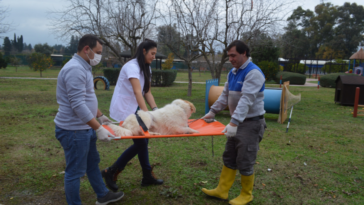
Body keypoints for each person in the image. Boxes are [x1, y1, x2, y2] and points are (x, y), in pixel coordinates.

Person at [54, 34, 124, 205]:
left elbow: (86, 97)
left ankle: (103, 195)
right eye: (98, 52)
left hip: (85, 128)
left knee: (92, 163)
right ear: (87, 49)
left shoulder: (84, 66)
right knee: (75, 172)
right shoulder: (75, 69)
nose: (99, 56)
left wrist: (100, 116)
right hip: (74, 131)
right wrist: (98, 128)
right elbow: (77, 104)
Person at [201, 40, 267, 205]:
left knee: (245, 158)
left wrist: (234, 122)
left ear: (244, 53)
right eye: (229, 56)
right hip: (236, 123)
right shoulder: (233, 72)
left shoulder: (254, 73)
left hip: (251, 124)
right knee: (229, 156)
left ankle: (247, 194)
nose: (230, 59)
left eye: (233, 55)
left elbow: (246, 100)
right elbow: (225, 96)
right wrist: (212, 111)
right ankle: (222, 191)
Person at [102, 39, 163, 191]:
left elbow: (147, 91)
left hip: (134, 107)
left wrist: (155, 110)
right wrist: (146, 115)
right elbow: (137, 91)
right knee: (142, 142)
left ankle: (146, 176)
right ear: (144, 51)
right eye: (152, 53)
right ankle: (111, 171)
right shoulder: (131, 67)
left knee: (142, 141)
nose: (154, 57)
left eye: (155, 54)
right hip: (124, 109)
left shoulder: (147, 68)